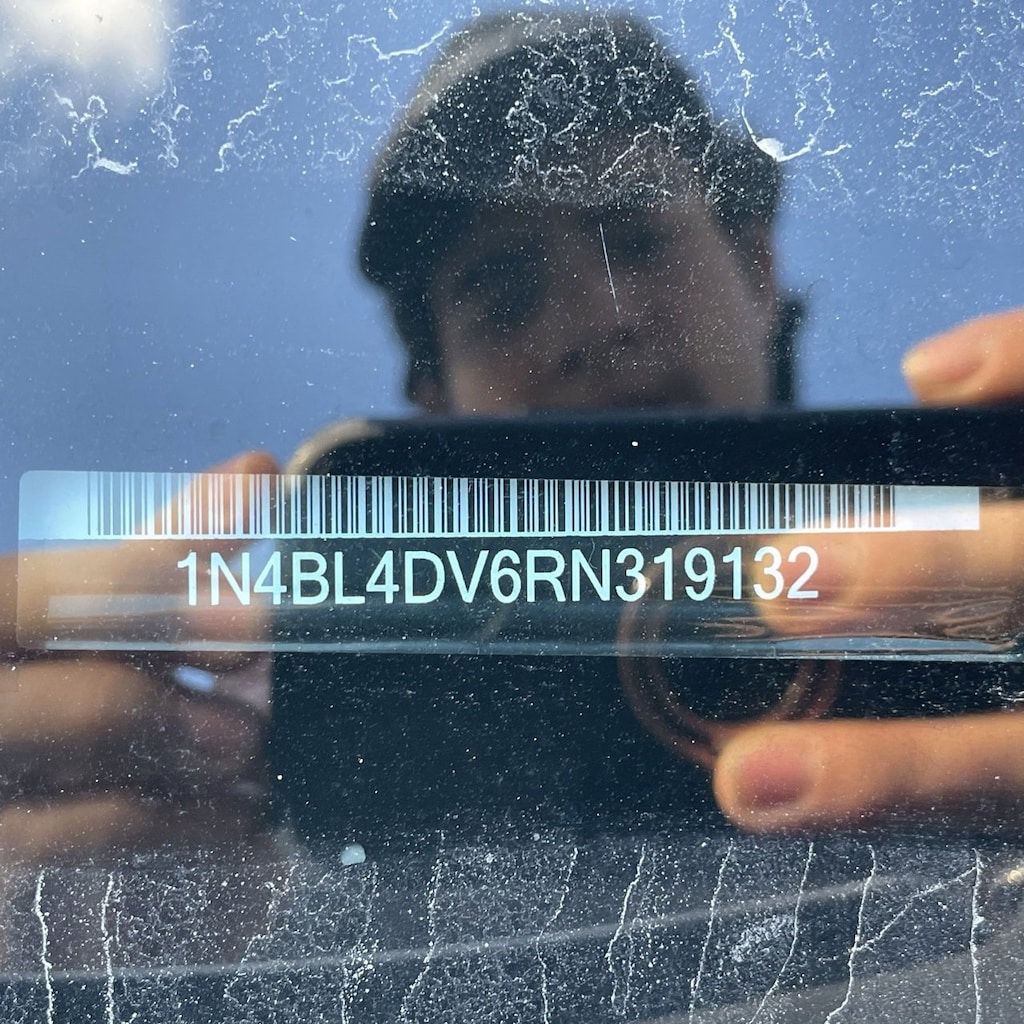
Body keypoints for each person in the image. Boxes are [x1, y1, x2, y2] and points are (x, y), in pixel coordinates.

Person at [1, 4, 1023, 954]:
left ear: (755, 267)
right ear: (434, 399)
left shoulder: (994, 583)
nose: (597, 319)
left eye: (636, 237)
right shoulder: (261, 752)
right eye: (505, 295)